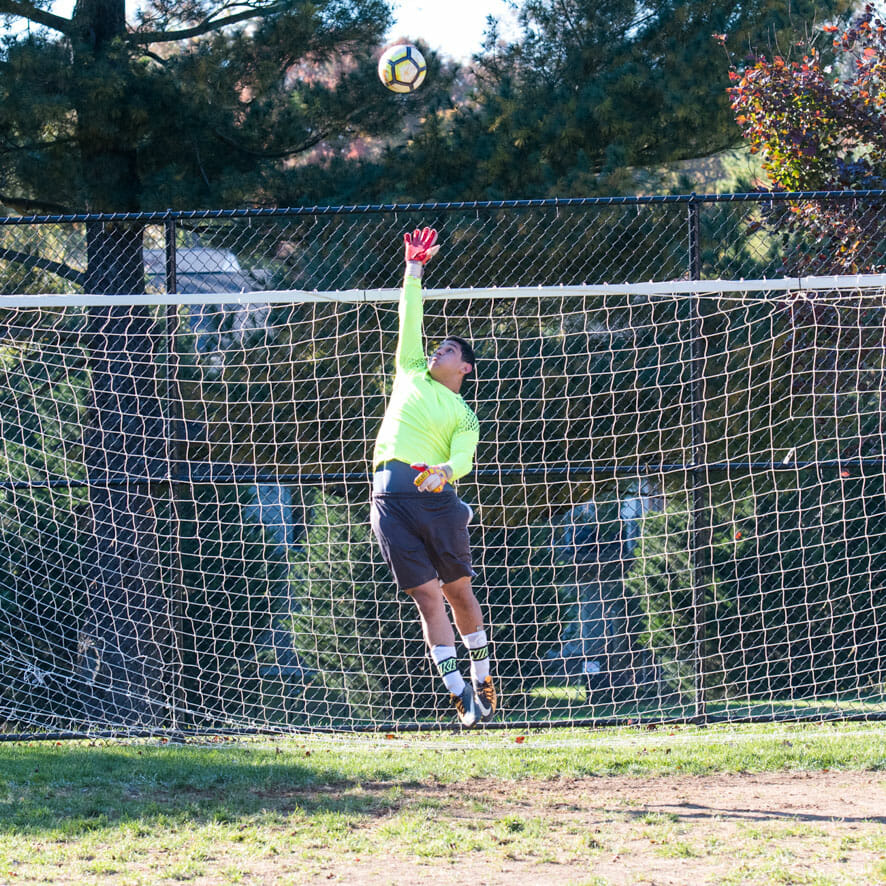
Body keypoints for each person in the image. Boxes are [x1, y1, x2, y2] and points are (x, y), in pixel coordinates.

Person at [370, 227, 496, 727]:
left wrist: (445, 470)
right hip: (389, 498)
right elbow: (409, 315)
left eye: (448, 350)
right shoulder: (409, 372)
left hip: (436, 498)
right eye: (436, 346)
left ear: (464, 367)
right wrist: (414, 267)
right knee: (425, 597)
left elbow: (464, 457)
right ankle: (460, 693)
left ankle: (483, 674)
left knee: (457, 591)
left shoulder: (464, 413)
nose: (436, 350)